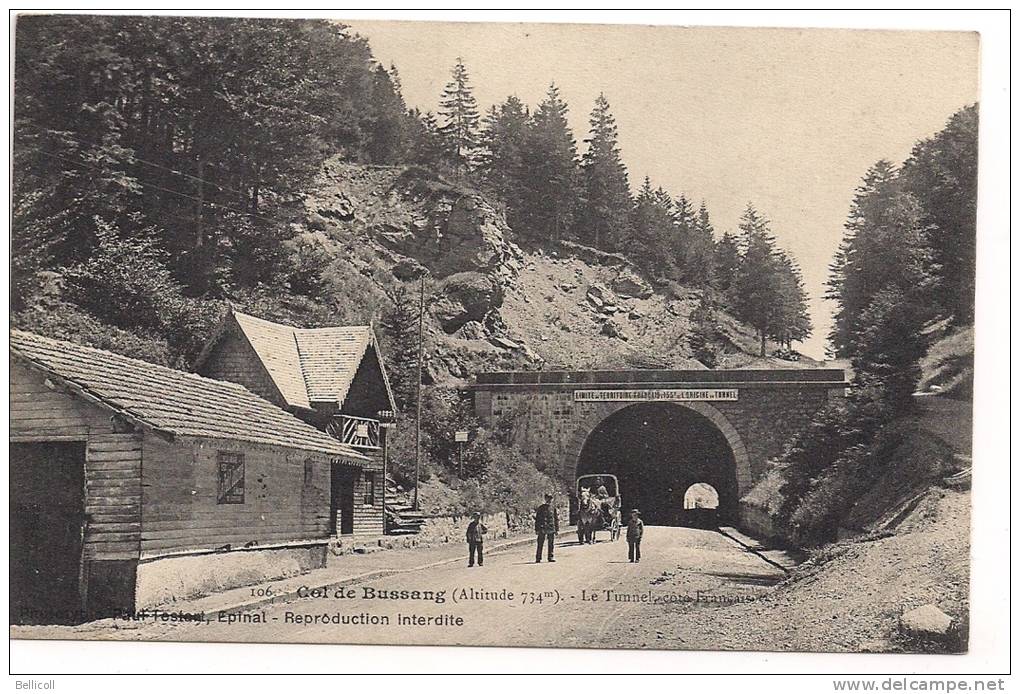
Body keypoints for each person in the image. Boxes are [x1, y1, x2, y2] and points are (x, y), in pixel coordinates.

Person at [535, 493, 558, 563]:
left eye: (550, 498)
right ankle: (538, 558)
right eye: (548, 498)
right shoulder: (541, 508)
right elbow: (537, 519)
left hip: (551, 527)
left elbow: (556, 519)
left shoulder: (553, 508)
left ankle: (550, 557)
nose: (549, 500)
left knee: (551, 543)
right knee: (540, 543)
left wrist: (557, 529)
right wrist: (537, 529)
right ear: (545, 499)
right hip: (542, 527)